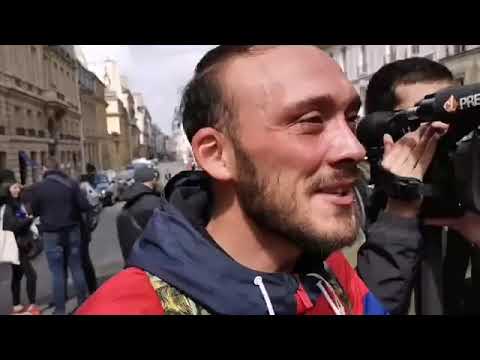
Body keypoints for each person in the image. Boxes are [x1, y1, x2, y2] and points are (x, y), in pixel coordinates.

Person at [76, 45, 460, 315]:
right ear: (216, 154)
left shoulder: (331, 275)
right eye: (310, 121)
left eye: (351, 118)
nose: (355, 149)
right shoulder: (127, 307)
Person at [357, 57, 480, 314]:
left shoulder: (472, 202)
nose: (444, 133)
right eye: (423, 122)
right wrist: (399, 212)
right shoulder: (350, 215)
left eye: (454, 121)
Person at [31, 157, 91, 315]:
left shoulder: (39, 187)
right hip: (72, 231)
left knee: (57, 273)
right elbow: (85, 205)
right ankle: (84, 304)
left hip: (51, 234)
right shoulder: (71, 184)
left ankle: (60, 309)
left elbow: (34, 210)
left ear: (45, 169)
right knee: (77, 268)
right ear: (58, 168)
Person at [1, 180, 40, 315]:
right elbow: (12, 226)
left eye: (18, 187)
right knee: (31, 275)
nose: (17, 190)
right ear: (8, 190)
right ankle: (32, 306)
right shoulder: (9, 207)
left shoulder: (17, 204)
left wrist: (27, 219)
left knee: (17, 275)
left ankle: (16, 305)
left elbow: (21, 220)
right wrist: (28, 220)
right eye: (14, 188)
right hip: (17, 246)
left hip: (21, 245)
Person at [116, 166, 164, 264]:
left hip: (135, 265)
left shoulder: (127, 204)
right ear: (153, 180)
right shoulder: (154, 204)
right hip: (156, 266)